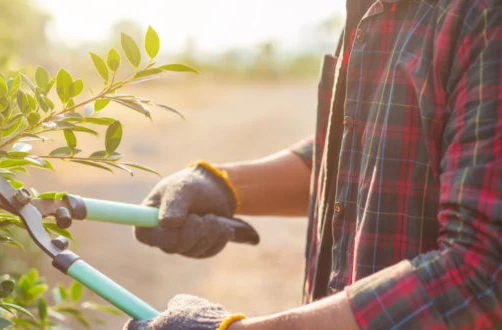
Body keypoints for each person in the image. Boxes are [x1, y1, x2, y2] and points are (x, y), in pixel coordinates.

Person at [124, 0, 502, 329]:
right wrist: (225, 186)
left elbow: (482, 275)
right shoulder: (373, 12)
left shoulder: (482, 16)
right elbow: (368, 152)